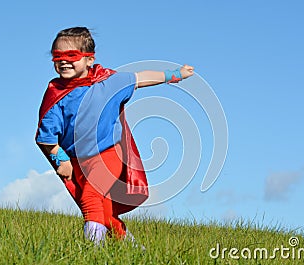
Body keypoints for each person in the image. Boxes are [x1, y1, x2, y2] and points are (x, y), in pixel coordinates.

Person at [36, 26, 194, 245]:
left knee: (91, 199)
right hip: (77, 161)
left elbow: (140, 78)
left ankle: (92, 251)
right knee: (105, 213)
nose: (63, 61)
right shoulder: (55, 93)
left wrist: (175, 75)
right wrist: (59, 159)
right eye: (57, 56)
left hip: (109, 153)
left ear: (89, 59)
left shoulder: (108, 82)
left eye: (72, 56)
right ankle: (136, 250)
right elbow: (46, 136)